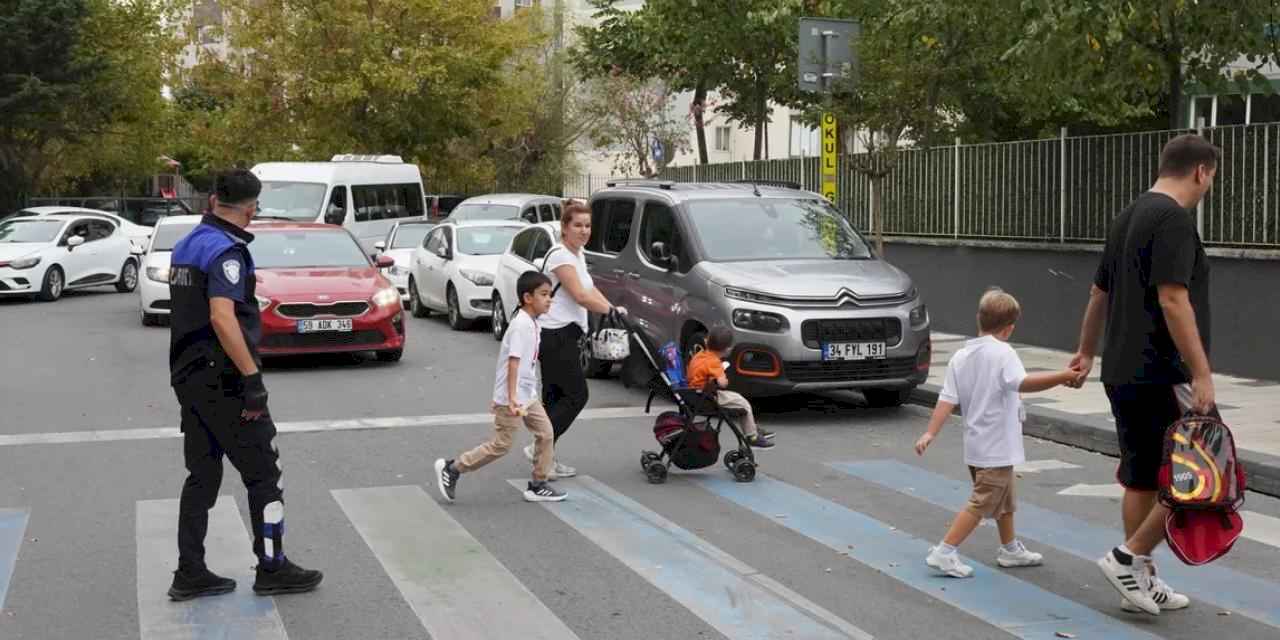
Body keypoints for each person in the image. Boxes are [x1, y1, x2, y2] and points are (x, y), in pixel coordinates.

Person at [1069, 134, 1219, 615]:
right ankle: (1127, 557)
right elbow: (1173, 299)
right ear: (1201, 171)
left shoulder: (1128, 215)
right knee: (1200, 474)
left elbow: (1098, 293)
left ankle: (1138, 577)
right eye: (1211, 177)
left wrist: (1086, 353)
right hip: (1161, 370)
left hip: (1120, 368)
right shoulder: (1173, 219)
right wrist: (1202, 373)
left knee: (1141, 478)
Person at [167, 169, 322, 601]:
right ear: (251, 208)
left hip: (189, 378)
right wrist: (251, 379)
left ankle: (190, 571)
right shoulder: (226, 252)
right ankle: (273, 566)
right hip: (226, 382)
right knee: (264, 476)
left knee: (202, 474)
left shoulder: (187, 245)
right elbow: (221, 316)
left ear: (213, 200)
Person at [914, 290, 1079, 578]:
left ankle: (1010, 549)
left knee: (1004, 499)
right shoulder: (1004, 353)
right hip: (997, 446)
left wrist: (930, 433)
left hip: (977, 445)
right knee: (982, 502)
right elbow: (1022, 383)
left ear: (979, 319)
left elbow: (947, 398)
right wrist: (1063, 376)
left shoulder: (961, 356)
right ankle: (945, 551)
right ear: (1009, 328)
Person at [435, 271, 566, 503]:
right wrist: (512, 397)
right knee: (501, 445)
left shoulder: (533, 323)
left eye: (549, 294)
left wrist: (528, 394)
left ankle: (538, 484)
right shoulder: (521, 326)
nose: (549, 299)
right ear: (528, 297)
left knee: (546, 434)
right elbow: (513, 362)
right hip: (512, 398)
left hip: (527, 396)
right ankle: (453, 468)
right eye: (544, 294)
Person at [522, 200, 625, 479]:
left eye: (587, 225)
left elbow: (591, 290)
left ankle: (546, 458)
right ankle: (539, 449)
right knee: (577, 395)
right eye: (577, 225)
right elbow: (579, 295)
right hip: (554, 335)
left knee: (554, 400)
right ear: (564, 228)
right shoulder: (560, 256)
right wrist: (608, 310)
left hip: (567, 334)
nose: (583, 230)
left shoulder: (577, 254)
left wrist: (613, 309)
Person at [686, 327, 775, 448]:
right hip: (706, 398)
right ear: (727, 349)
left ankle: (751, 425)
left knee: (736, 398)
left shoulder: (700, 355)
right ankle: (752, 436)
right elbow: (723, 384)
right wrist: (722, 373)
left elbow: (702, 373)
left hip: (694, 394)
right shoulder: (714, 362)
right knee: (743, 403)